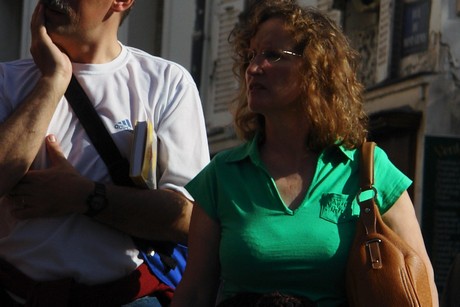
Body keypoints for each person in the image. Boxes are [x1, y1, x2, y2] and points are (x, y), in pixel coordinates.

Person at [171, 1, 438, 306]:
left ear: (316, 70)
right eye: (250, 56)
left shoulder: (368, 170)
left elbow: (421, 285)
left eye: (272, 55)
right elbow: (194, 292)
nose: (254, 69)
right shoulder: (222, 175)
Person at [0, 0, 209, 306]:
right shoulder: (6, 81)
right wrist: (53, 80)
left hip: (127, 298)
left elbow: (190, 220)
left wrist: (83, 196)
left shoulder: (166, 83)